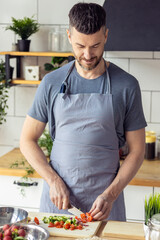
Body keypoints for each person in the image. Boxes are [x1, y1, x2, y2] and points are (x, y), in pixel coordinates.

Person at [20, 2, 147, 221]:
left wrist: (111, 194)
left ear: (106, 36)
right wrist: (53, 180)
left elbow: (137, 151)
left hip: (105, 204)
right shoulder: (51, 83)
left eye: (95, 46)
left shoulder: (126, 86)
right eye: (80, 46)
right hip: (58, 202)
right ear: (69, 36)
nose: (87, 54)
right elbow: (27, 139)